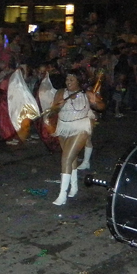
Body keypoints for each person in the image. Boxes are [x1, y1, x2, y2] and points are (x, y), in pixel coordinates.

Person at [50, 69, 105, 206]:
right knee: (72, 158)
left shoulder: (87, 94)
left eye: (71, 80)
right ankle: (73, 187)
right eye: (67, 79)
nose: (68, 82)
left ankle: (62, 195)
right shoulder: (61, 92)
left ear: (79, 81)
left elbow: (102, 106)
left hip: (80, 127)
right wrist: (58, 106)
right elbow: (53, 110)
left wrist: (96, 103)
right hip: (64, 127)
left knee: (66, 158)